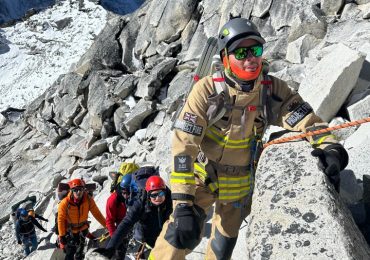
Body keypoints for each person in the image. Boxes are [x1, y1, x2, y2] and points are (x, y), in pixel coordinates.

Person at [149, 18, 349, 260]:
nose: (250, 58)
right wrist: (182, 202)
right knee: (174, 243)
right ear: (225, 57)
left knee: (221, 251)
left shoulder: (272, 90)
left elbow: (308, 121)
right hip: (203, 178)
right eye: (241, 52)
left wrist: (331, 147)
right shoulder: (206, 91)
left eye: (255, 50)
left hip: (239, 187)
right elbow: (184, 147)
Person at [95, 175, 172, 259]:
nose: (158, 198)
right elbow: (126, 223)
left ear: (165, 192)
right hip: (146, 240)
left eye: (161, 193)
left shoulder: (171, 201)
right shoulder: (141, 204)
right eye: (154, 195)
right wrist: (111, 247)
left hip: (167, 239)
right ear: (148, 195)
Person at [57, 178, 106, 260]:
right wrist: (62, 236)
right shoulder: (65, 203)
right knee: (70, 252)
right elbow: (61, 219)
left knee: (80, 249)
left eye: (81, 189)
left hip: (83, 229)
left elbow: (97, 214)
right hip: (70, 231)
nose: (78, 192)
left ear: (84, 190)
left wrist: (107, 225)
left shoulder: (88, 200)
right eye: (76, 190)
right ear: (71, 191)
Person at [105, 174, 138, 259]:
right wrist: (115, 238)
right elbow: (109, 221)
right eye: (125, 193)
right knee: (119, 252)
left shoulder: (135, 195)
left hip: (131, 224)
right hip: (119, 227)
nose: (128, 196)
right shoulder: (113, 200)